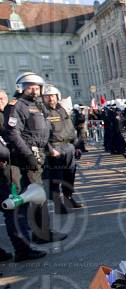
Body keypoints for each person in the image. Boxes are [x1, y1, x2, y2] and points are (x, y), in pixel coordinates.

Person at [4, 73, 66, 244]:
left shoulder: (36, 105)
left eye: (37, 87)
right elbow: (13, 134)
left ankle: (43, 231)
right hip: (26, 158)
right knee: (37, 196)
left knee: (40, 195)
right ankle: (41, 234)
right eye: (31, 86)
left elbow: (40, 132)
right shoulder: (16, 105)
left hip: (38, 155)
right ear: (21, 87)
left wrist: (49, 148)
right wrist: (28, 155)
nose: (35, 90)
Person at [42, 85, 84, 214]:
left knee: (69, 175)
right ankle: (57, 204)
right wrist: (49, 149)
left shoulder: (62, 110)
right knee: (55, 177)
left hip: (68, 147)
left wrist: (75, 146)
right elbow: (41, 134)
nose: (50, 99)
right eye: (47, 96)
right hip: (54, 147)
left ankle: (68, 197)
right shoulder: (42, 112)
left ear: (57, 97)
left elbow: (70, 128)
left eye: (52, 96)